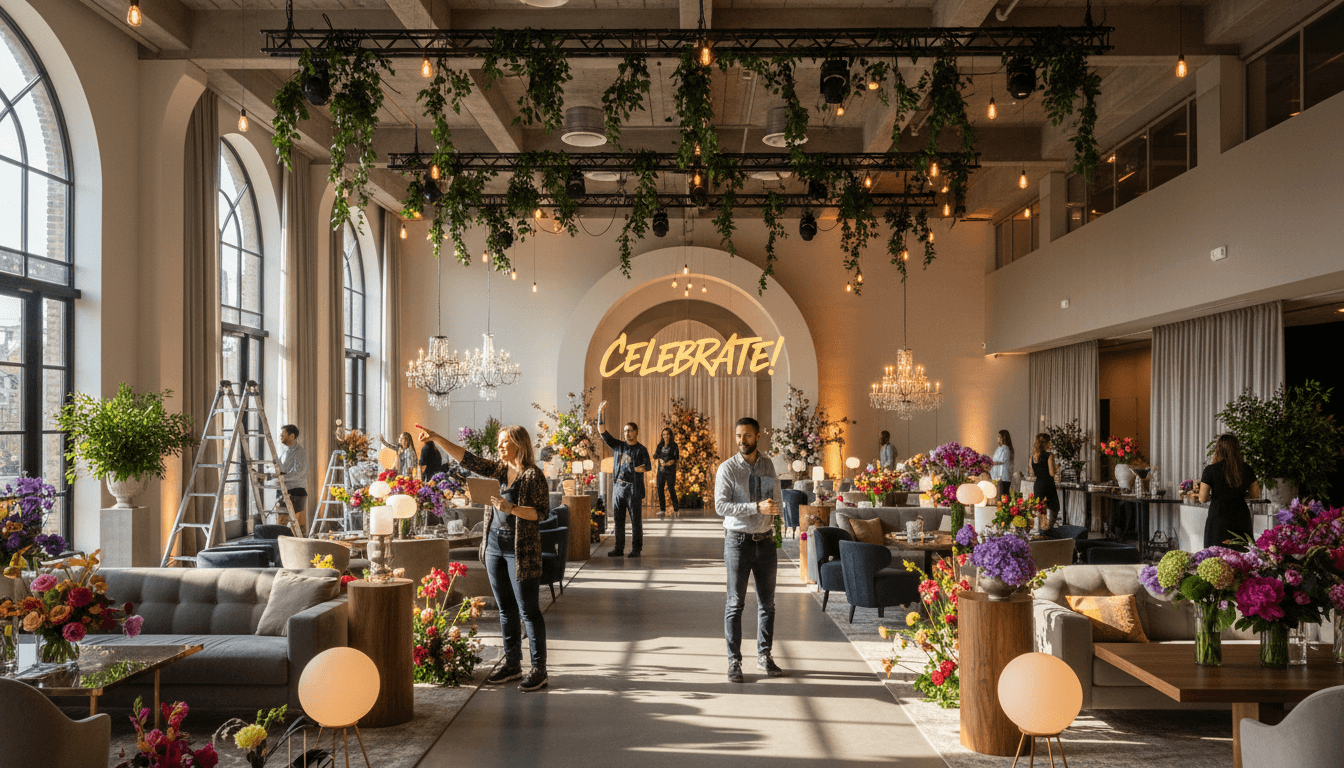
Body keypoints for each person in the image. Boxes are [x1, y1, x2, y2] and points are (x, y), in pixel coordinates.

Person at [417, 422, 550, 692]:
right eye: (499, 442)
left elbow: (541, 514)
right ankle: (513, 663)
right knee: (505, 610)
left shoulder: (533, 476)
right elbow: (467, 458)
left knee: (529, 611)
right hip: (493, 548)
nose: (499, 446)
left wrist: (511, 508)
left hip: (520, 551)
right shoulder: (500, 470)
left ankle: (539, 669)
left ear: (519, 445)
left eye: (504, 442)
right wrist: (437, 437)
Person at [716, 416, 783, 683]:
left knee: (768, 605)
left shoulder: (768, 465)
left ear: (757, 437)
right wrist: (756, 507)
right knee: (735, 603)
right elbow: (721, 506)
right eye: (738, 436)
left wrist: (777, 518)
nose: (741, 441)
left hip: (766, 542)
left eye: (747, 436)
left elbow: (775, 498)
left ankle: (764, 656)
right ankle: (734, 661)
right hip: (738, 543)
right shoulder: (728, 469)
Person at [597, 402, 651, 557]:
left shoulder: (641, 449)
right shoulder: (618, 446)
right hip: (618, 488)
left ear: (636, 432)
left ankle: (636, 549)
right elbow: (603, 432)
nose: (627, 433)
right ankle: (619, 548)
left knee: (635, 522)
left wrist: (637, 468)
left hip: (633, 489)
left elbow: (648, 466)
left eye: (629, 431)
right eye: (625, 431)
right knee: (618, 520)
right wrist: (600, 413)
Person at [1199, 433, 1260, 548]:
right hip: (1241, 517)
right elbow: (1255, 495)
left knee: (1216, 556)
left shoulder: (1210, 470)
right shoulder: (1247, 469)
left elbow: (1202, 498)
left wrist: (1213, 496)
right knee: (1241, 556)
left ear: (1218, 450)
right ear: (1237, 449)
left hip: (1218, 517)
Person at [277, 424, 308, 527]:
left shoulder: (300, 453)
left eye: (283, 434)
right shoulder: (282, 452)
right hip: (283, 490)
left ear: (292, 436)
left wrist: (281, 478)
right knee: (281, 522)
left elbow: (299, 472)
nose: (281, 435)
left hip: (296, 492)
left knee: (298, 526)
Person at [1030, 432, 1060, 528]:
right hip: (1048, 485)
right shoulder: (1049, 455)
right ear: (1046, 443)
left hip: (1038, 485)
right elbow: (1051, 473)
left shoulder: (1032, 457)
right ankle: (1048, 529)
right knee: (1054, 508)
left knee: (1041, 510)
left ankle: (1042, 530)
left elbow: (1032, 473)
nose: (1050, 444)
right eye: (1049, 442)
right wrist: (1056, 468)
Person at [654, 427, 680, 518]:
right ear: (662, 435)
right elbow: (655, 455)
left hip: (670, 471)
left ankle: (676, 509)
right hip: (661, 471)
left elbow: (677, 457)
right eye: (664, 434)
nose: (666, 436)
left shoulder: (674, 445)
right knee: (660, 489)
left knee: (671, 489)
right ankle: (662, 510)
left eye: (667, 434)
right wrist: (660, 459)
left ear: (670, 435)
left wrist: (671, 462)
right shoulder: (660, 445)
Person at [991, 430, 1015, 500]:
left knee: (1003, 498)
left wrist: (992, 462)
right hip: (997, 477)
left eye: (999, 436)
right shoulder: (999, 448)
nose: (998, 438)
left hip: (1003, 477)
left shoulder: (1006, 448)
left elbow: (1002, 460)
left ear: (1002, 438)